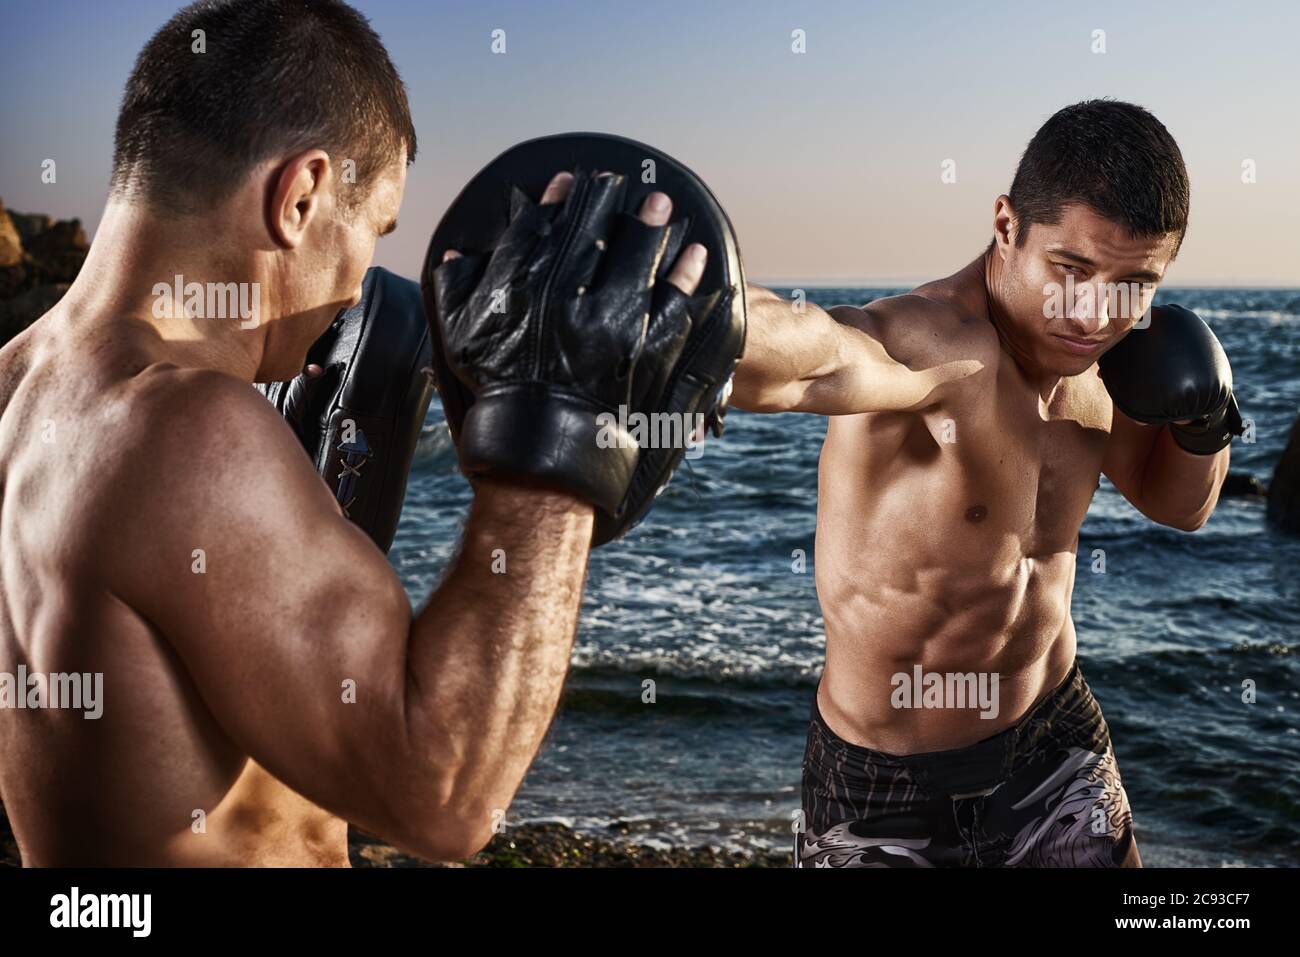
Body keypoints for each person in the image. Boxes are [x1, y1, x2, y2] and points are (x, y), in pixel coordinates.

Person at [0, 0, 711, 866]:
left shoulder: (18, 390)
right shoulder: (187, 429)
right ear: (299, 195)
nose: (358, 284)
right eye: (373, 228)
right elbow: (444, 797)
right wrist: (555, 436)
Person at [733, 100, 1244, 867]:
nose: (1094, 314)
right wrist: (700, 324)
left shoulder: (1105, 361)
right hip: (886, 781)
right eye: (1070, 270)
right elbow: (819, 354)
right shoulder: (934, 340)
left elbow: (1181, 506)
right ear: (1006, 225)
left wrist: (1205, 424)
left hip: (1056, 739)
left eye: (1134, 283)